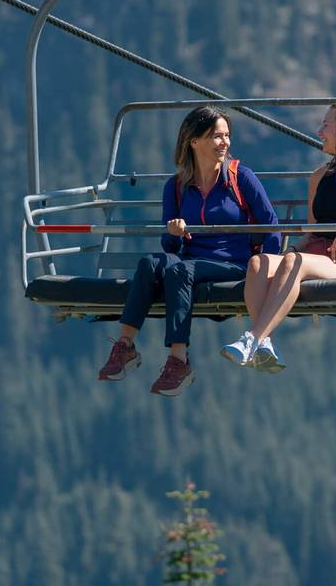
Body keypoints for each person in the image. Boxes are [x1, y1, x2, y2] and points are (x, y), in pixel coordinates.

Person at [97, 106, 280, 396]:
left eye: (227, 136)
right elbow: (170, 248)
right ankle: (126, 346)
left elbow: (270, 225)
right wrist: (175, 234)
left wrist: (268, 272)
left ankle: (178, 360)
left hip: (234, 263)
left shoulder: (240, 178)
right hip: (191, 260)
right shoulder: (178, 186)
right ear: (193, 141)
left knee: (180, 269)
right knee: (148, 263)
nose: (225, 143)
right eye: (216, 136)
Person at [222, 100, 336, 372]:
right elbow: (313, 231)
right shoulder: (319, 177)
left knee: (296, 262)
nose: (319, 132)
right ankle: (264, 345)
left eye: (326, 125)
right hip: (314, 257)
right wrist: (289, 252)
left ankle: (253, 338)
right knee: (259, 263)